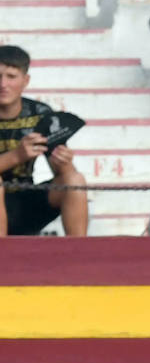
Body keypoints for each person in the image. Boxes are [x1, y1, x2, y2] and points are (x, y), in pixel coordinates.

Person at [0, 44, 88, 236]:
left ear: (25, 80)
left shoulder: (41, 113)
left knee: (74, 180)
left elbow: (62, 173)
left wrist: (64, 162)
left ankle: (82, 255)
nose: (3, 84)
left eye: (11, 77)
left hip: (26, 202)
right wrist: (17, 156)